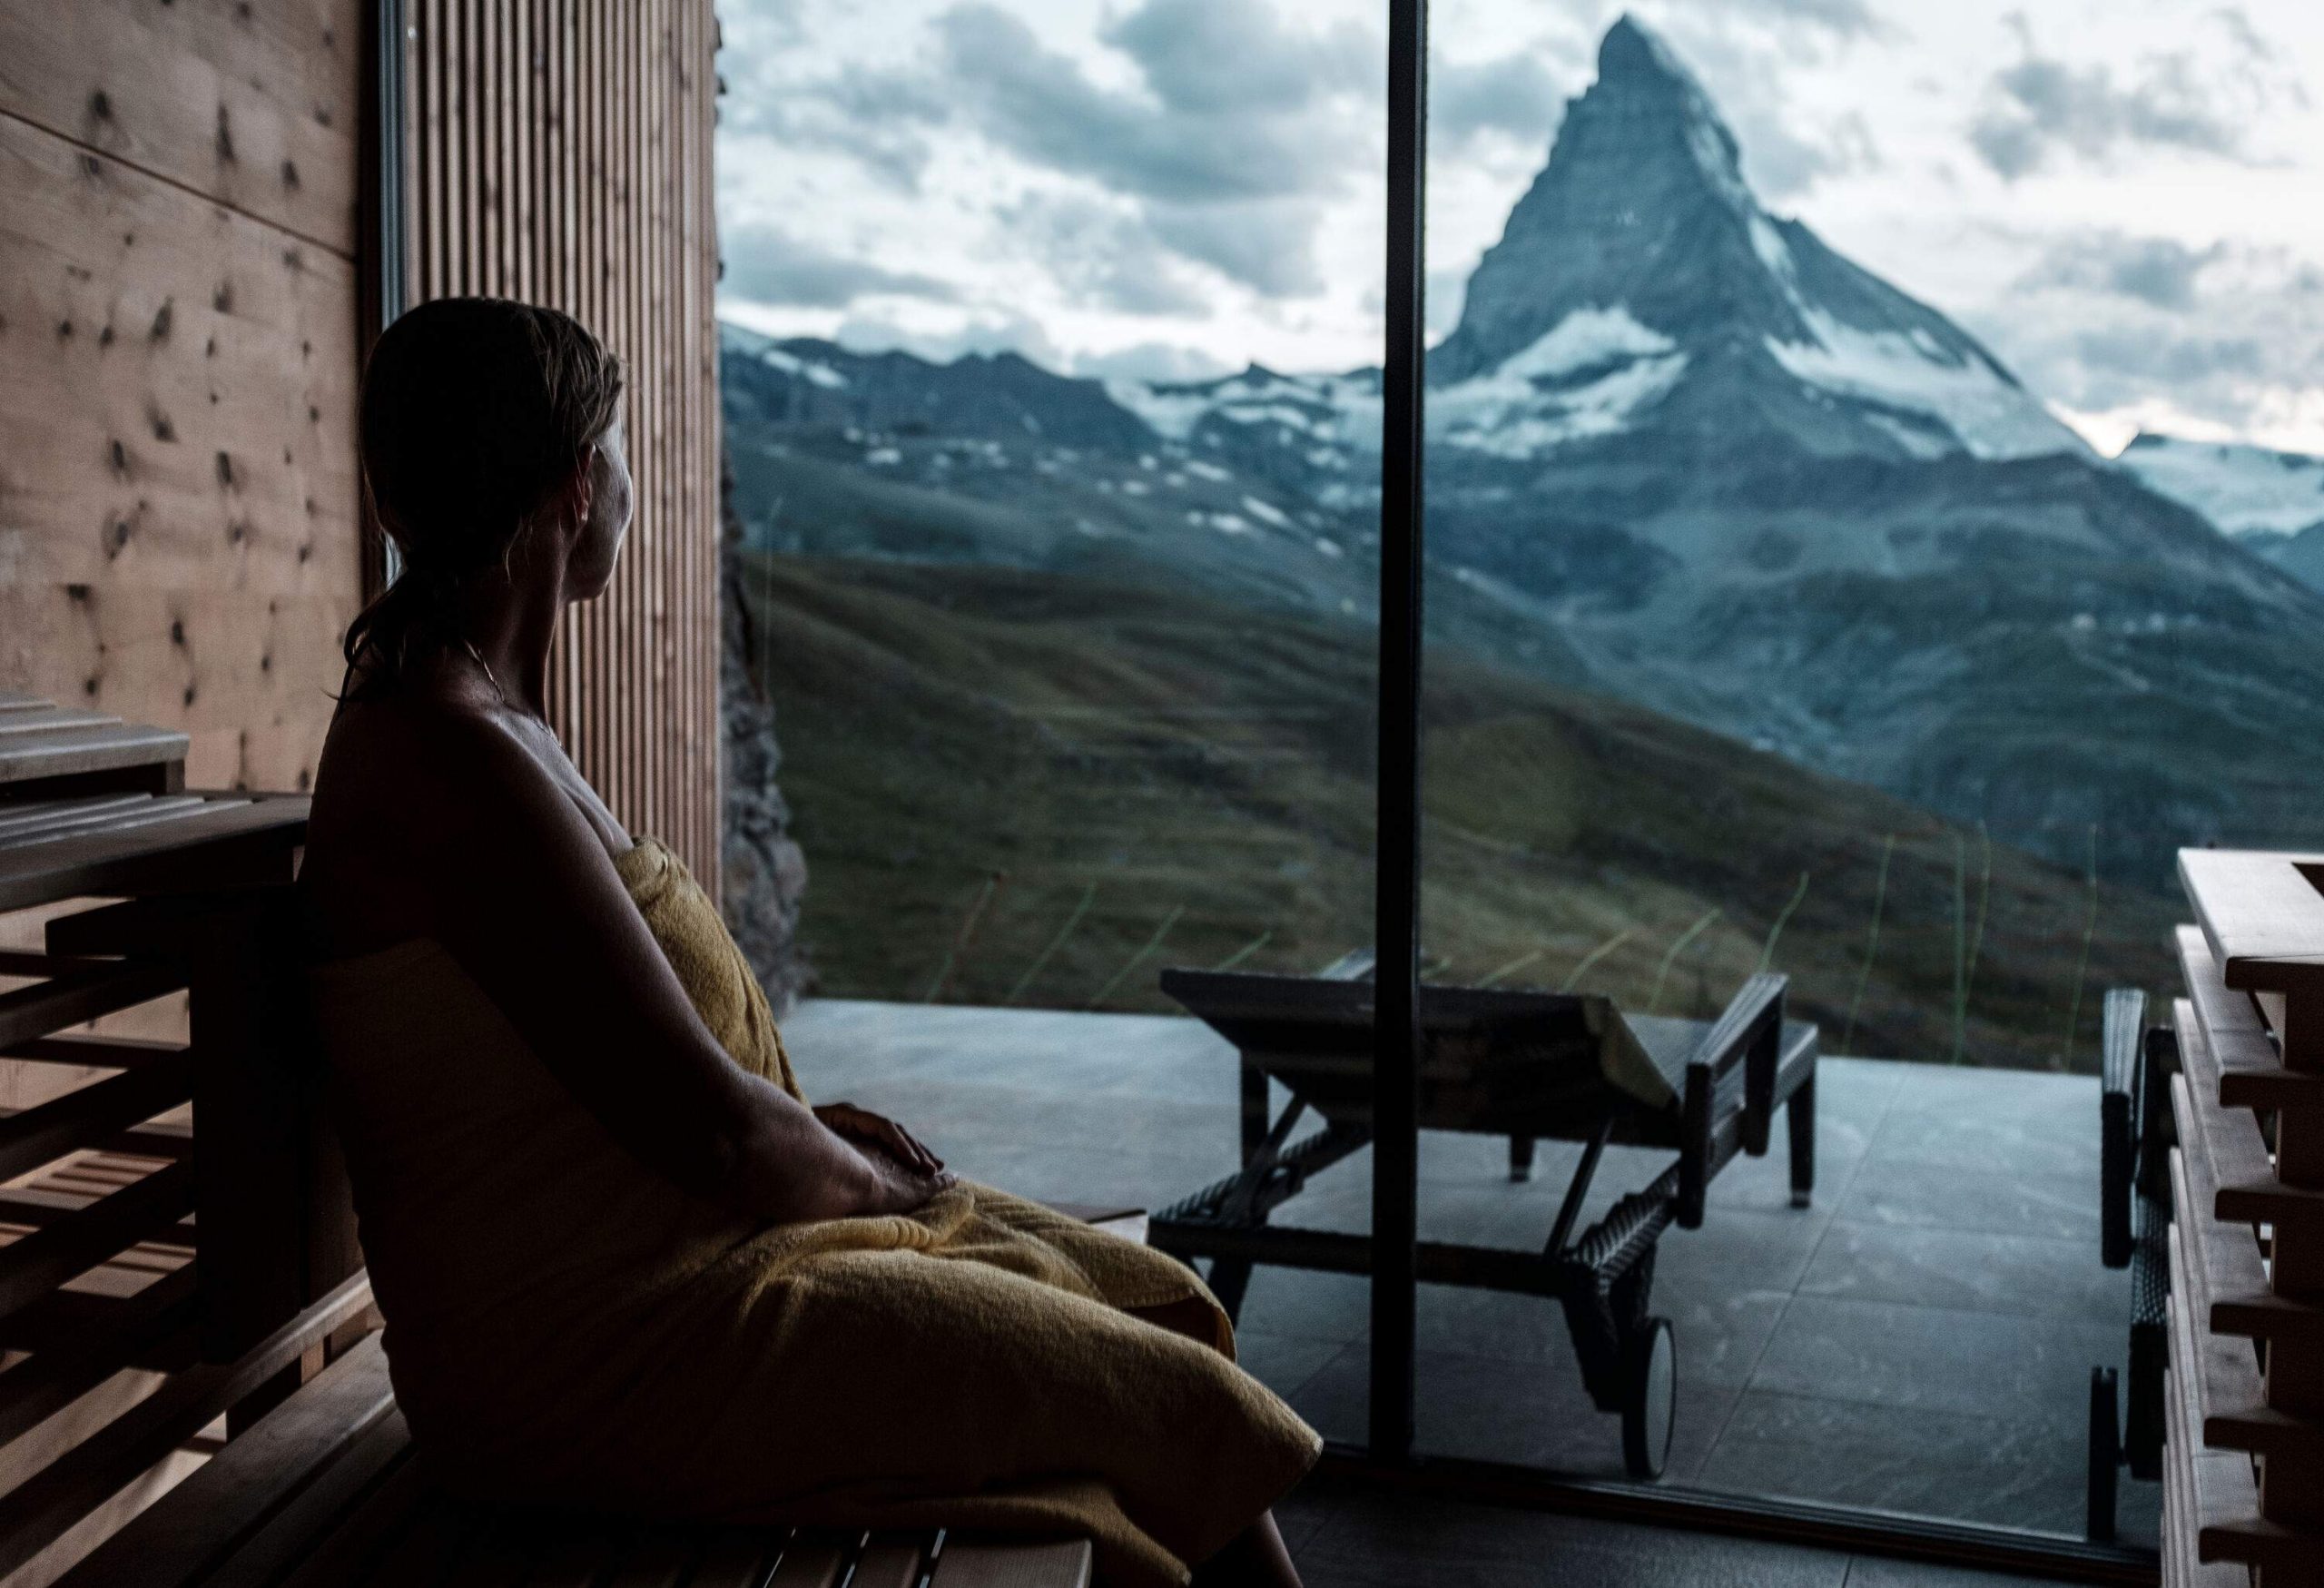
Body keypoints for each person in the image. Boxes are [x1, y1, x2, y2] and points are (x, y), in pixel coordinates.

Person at [299, 298, 1315, 1588]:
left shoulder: (476, 718)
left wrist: (811, 1131)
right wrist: (866, 1181)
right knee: (1154, 1392)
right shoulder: (453, 759)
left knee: (1142, 1304)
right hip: (609, 1352)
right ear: (568, 486)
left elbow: (616, 1067)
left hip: (667, 1271)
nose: (624, 477)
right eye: (611, 446)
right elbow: (711, 1133)